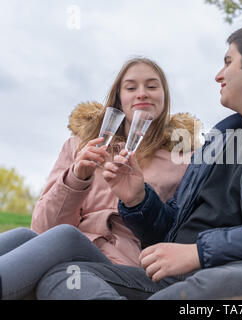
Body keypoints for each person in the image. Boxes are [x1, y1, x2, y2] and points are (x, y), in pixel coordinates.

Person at [36, 24, 242, 300]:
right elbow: (171, 230)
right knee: (66, 275)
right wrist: (138, 199)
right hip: (172, 282)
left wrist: (199, 253)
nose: (218, 75)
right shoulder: (215, 144)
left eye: (227, 63)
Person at [0, 57, 200, 300]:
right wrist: (76, 178)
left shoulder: (184, 160)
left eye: (151, 86)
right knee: (24, 236)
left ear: (164, 96)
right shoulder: (79, 146)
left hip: (123, 266)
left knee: (65, 236)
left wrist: (137, 198)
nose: (141, 94)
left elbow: (177, 231)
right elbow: (42, 230)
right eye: (130, 87)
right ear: (118, 98)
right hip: (65, 254)